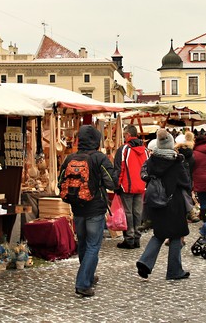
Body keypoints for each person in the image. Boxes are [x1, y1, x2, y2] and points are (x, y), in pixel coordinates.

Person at [58, 125, 118, 297]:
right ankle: (83, 283)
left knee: (83, 244)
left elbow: (60, 182)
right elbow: (111, 183)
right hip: (95, 208)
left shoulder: (70, 158)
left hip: (77, 208)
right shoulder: (100, 158)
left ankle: (88, 275)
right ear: (96, 141)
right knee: (93, 245)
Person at [136, 129, 192, 280]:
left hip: (156, 201)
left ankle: (145, 262)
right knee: (175, 234)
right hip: (174, 201)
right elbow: (186, 182)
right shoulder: (176, 161)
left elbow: (144, 176)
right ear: (170, 144)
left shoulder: (151, 160)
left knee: (159, 233)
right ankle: (174, 271)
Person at [114, 124, 149, 249]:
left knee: (128, 213)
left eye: (124, 135)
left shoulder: (124, 149)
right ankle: (137, 238)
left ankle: (129, 238)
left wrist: (116, 185)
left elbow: (119, 169)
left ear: (128, 135)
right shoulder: (145, 150)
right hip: (141, 186)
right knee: (138, 212)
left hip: (127, 186)